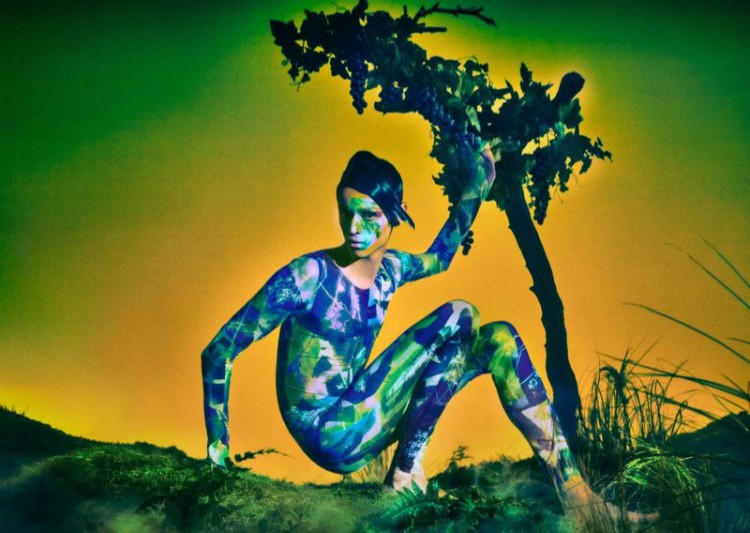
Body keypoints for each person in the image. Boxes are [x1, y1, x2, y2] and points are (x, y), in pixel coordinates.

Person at [201, 145, 650, 519]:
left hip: (368, 415)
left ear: (395, 216)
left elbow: (441, 256)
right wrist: (218, 450)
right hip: (327, 431)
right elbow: (218, 350)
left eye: (370, 215)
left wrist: (477, 186)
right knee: (460, 315)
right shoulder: (307, 276)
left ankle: (576, 491)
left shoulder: (391, 270)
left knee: (501, 339)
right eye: (346, 212)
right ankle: (404, 475)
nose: (355, 228)